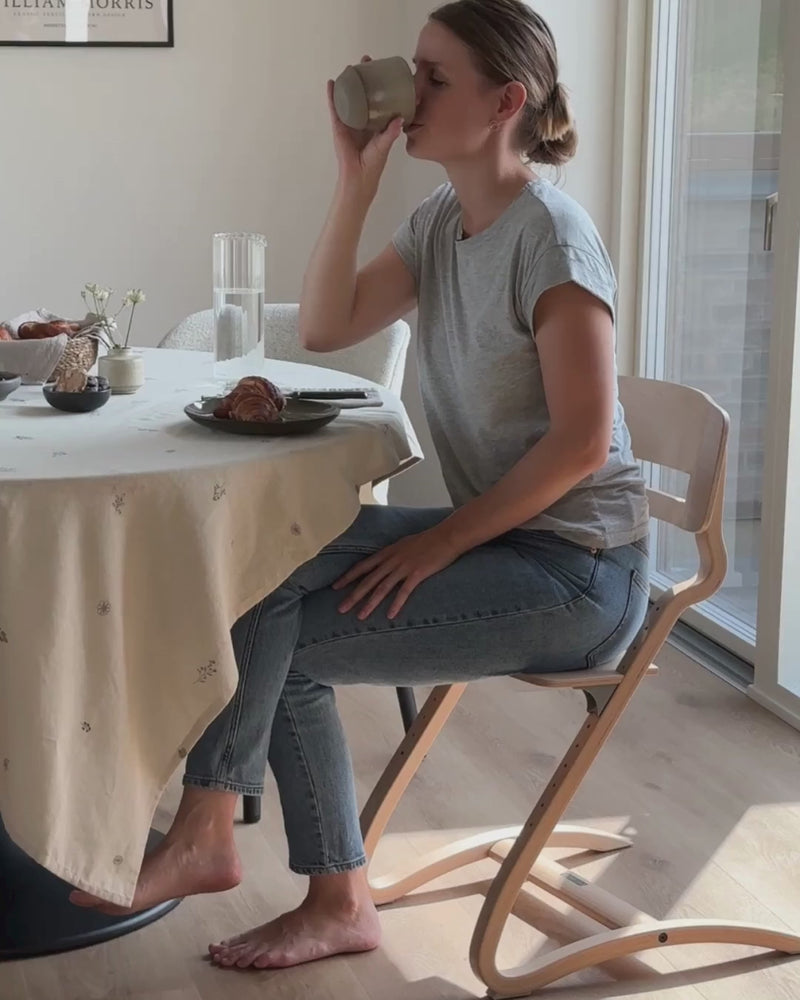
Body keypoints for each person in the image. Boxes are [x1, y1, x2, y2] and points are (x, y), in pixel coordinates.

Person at [70, 0, 650, 972]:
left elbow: (584, 443)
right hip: (509, 538)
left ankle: (298, 879)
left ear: (505, 102)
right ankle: (234, 841)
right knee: (261, 558)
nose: (405, 90)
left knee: (287, 641)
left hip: (580, 572)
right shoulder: (443, 221)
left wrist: (440, 539)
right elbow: (329, 324)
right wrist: (354, 180)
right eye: (409, 68)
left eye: (433, 77)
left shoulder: (551, 237)